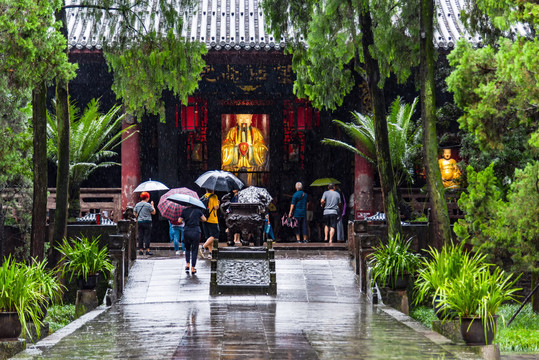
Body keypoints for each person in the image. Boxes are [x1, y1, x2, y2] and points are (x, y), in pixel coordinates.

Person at [221, 114, 268, 185]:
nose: (243, 120)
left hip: (251, 165)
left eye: (246, 118)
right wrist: (235, 148)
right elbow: (225, 146)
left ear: (251, 120)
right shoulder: (232, 131)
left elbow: (262, 147)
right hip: (236, 164)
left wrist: (251, 148)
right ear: (236, 120)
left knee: (251, 183)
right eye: (241, 118)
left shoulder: (256, 132)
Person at [179, 205, 207, 275]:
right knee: (195, 250)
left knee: (187, 248)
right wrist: (198, 219)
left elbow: (179, 220)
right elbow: (204, 219)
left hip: (187, 231)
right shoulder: (198, 211)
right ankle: (193, 268)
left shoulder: (184, 211)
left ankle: (187, 264)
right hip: (196, 231)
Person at [200, 188, 220, 259]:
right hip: (212, 219)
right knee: (215, 235)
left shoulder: (203, 197)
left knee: (208, 236)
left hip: (204, 219)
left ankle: (210, 253)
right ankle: (203, 247)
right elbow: (216, 207)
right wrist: (218, 203)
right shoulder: (214, 196)